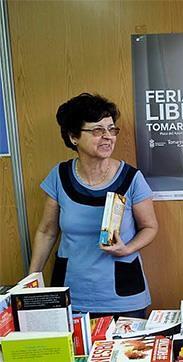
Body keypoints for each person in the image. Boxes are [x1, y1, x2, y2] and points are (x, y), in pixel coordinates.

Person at [28, 93, 158, 319]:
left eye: (111, 129)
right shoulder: (60, 176)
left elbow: (150, 227)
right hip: (70, 293)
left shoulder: (131, 178)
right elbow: (47, 231)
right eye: (98, 130)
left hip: (123, 295)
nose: (108, 137)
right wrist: (31, 279)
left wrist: (126, 248)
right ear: (73, 137)